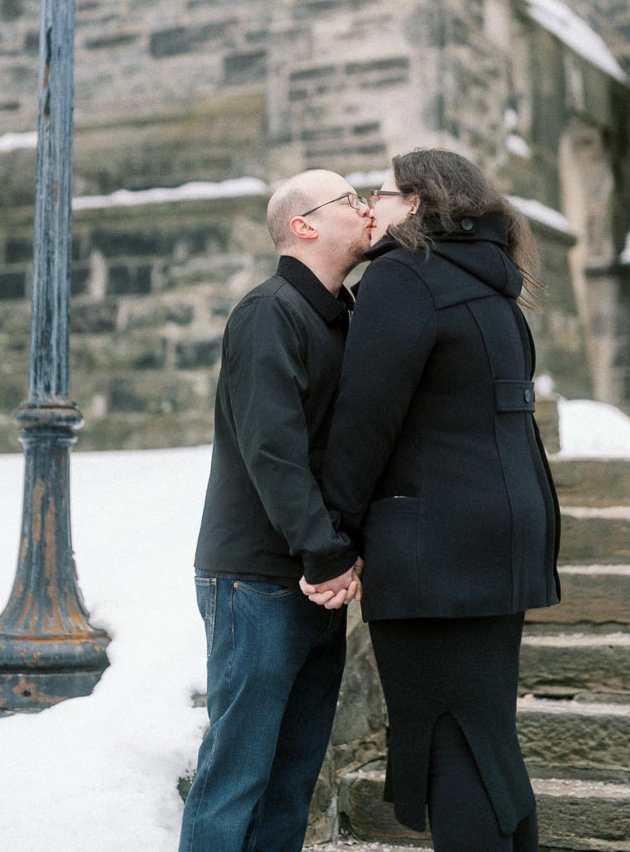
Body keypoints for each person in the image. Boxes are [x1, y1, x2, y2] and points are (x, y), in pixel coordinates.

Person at [304, 149, 560, 852]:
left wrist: (334, 537)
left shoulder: (402, 278)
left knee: (450, 738)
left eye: (381, 194)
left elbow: (365, 421)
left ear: (415, 204)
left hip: (434, 545)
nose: (371, 209)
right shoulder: (493, 284)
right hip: (503, 534)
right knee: (485, 733)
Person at [179, 169, 373, 852]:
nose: (367, 208)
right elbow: (274, 450)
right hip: (257, 579)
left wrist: (338, 558)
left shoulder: (344, 317)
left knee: (291, 783)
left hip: (316, 579)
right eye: (351, 201)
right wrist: (326, 554)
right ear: (304, 226)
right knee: (236, 781)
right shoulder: (269, 313)